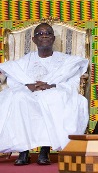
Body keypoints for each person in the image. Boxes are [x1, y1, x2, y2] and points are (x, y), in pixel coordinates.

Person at [0, 23, 89, 165]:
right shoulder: (25, 60)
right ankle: (24, 150)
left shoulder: (66, 61)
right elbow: (12, 75)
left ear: (53, 38)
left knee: (54, 97)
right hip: (29, 94)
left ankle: (44, 150)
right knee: (18, 97)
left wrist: (52, 85)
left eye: (48, 32)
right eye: (40, 34)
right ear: (34, 40)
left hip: (52, 92)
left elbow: (73, 83)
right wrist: (27, 85)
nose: (44, 35)